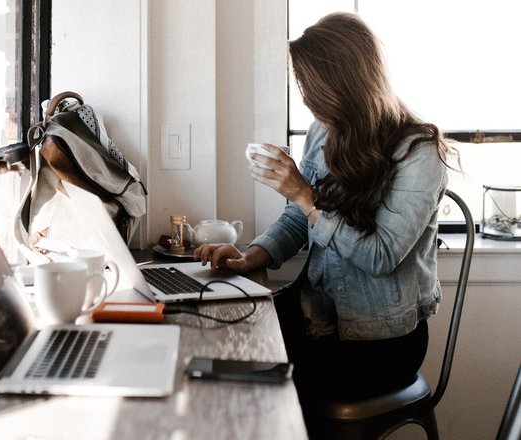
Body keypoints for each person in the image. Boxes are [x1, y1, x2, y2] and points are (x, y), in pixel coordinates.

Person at [193, 12, 460, 437]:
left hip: (380, 342)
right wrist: (250, 257)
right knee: (214, 338)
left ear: (346, 84)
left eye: (310, 88)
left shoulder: (420, 152)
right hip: (316, 314)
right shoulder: (324, 132)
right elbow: (299, 217)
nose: (306, 100)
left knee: (262, 389)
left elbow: (382, 256)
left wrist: (305, 193)